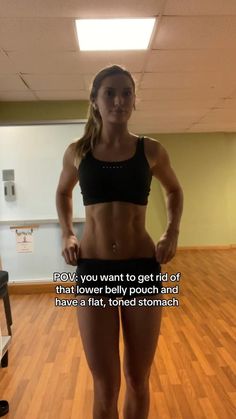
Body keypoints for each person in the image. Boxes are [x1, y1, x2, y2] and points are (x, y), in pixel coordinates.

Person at [56, 64, 183, 419]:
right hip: (93, 270)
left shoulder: (151, 150)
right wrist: (67, 231)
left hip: (142, 268)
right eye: (109, 92)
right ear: (94, 101)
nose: (119, 100)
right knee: (106, 384)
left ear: (134, 100)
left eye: (126, 92)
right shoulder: (78, 151)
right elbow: (63, 193)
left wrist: (171, 231)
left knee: (137, 378)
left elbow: (174, 190)